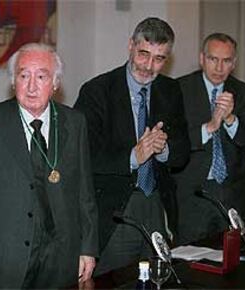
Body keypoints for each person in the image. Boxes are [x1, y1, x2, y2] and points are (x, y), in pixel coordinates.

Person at [0, 43, 99, 289]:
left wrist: (88, 248)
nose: (31, 86)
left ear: (55, 84)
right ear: (13, 81)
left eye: (41, 76)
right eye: (24, 76)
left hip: (61, 257)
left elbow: (85, 192)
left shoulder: (75, 123)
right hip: (4, 257)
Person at [74, 17, 190, 275]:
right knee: (114, 281)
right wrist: (133, 156)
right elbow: (83, 156)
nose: (149, 66)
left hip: (158, 207)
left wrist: (164, 149)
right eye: (143, 54)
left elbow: (183, 152)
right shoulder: (97, 91)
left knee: (159, 280)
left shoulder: (170, 90)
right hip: (115, 210)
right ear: (130, 46)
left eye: (159, 58)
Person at [175, 33, 245, 245]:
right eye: (213, 59)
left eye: (226, 61)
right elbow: (174, 140)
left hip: (234, 194)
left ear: (234, 63)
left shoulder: (244, 93)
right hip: (193, 195)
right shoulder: (179, 89)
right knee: (191, 264)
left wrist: (230, 120)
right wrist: (209, 127)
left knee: (234, 264)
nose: (219, 68)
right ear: (202, 59)